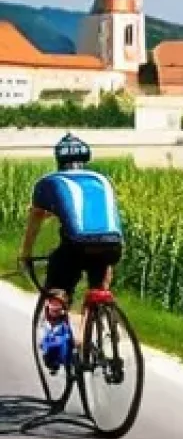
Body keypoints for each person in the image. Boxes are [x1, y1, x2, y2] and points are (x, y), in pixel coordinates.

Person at [19, 134, 124, 360]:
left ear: (58, 159)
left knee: (58, 282)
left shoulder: (48, 182)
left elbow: (35, 221)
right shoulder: (101, 179)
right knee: (99, 279)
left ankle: (58, 332)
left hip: (76, 246)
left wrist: (25, 254)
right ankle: (97, 313)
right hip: (112, 244)